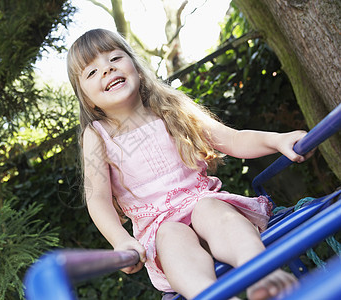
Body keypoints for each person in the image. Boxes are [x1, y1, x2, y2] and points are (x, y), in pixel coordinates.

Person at [67, 28, 309, 300]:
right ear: (84, 97)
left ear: (134, 64)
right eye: (91, 72)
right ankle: (211, 296)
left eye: (114, 58)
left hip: (204, 206)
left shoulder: (170, 107)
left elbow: (232, 139)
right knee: (170, 235)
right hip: (160, 228)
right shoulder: (98, 135)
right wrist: (120, 240)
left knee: (212, 210)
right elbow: (97, 198)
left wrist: (279, 141)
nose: (107, 70)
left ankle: (263, 275)